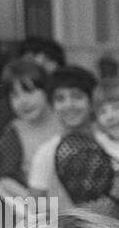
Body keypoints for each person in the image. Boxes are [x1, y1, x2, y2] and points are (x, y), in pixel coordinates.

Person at [26, 64, 101, 209]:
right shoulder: (47, 153)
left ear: (92, 102)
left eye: (77, 97)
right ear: (53, 106)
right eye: (60, 99)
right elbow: (35, 209)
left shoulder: (110, 145)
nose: (69, 105)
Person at [0, 57, 59, 203]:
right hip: (44, 211)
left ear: (46, 90)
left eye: (29, 91)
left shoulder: (66, 120)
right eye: (15, 95)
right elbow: (3, 176)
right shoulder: (15, 132)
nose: (23, 101)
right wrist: (30, 199)